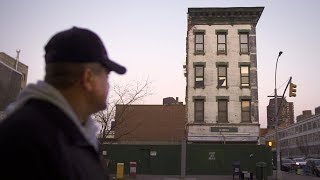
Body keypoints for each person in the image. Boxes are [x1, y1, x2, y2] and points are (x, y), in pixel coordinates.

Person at [0, 27, 126, 180]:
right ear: (88, 78)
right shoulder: (28, 140)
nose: (108, 84)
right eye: (107, 76)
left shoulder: (74, 135)